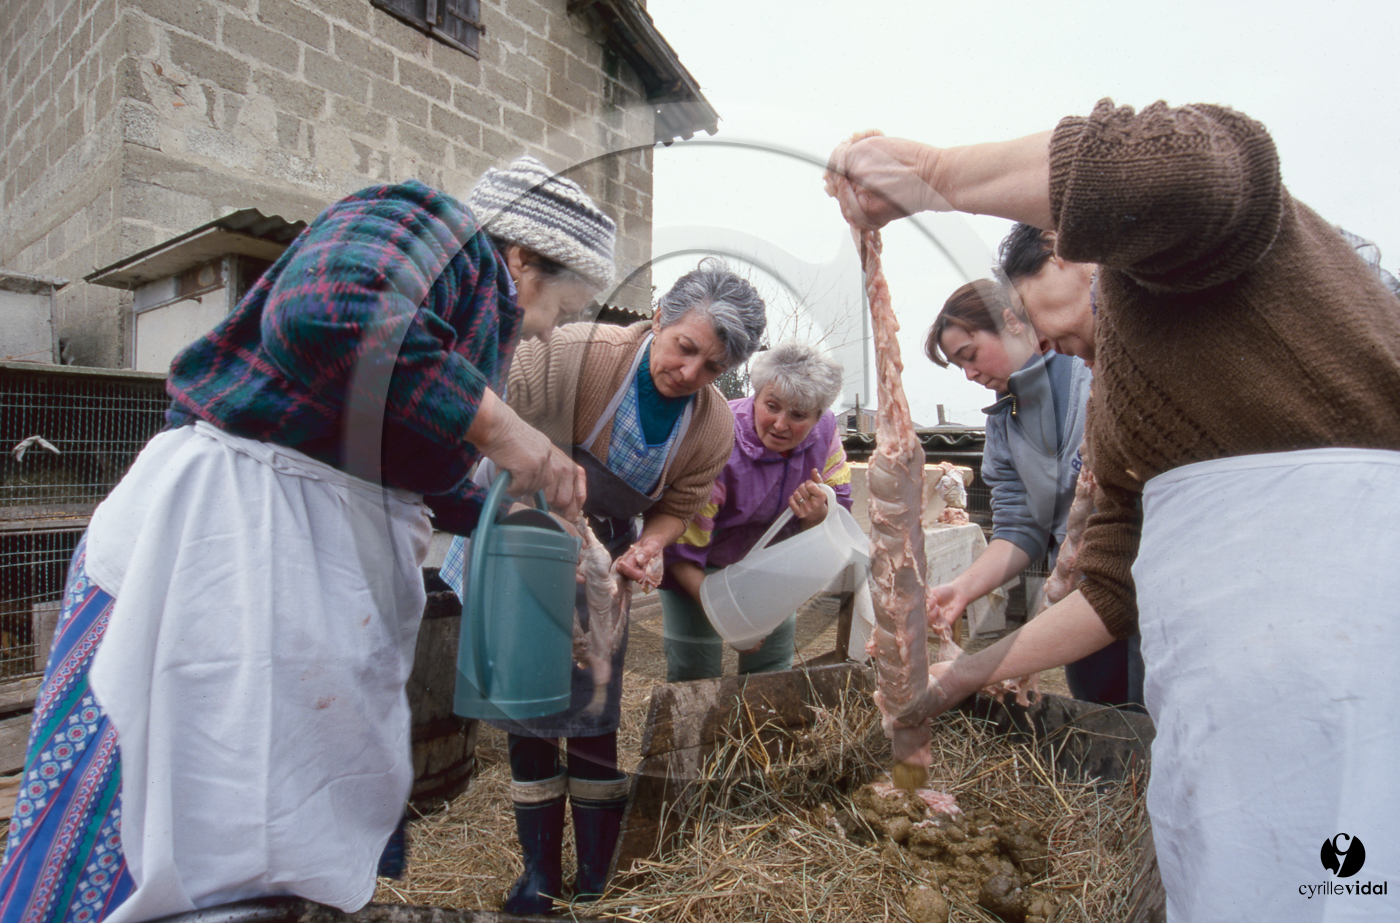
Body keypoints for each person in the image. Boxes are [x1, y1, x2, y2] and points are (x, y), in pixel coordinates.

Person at [0, 156, 615, 923]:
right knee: (164, 804)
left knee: (257, 819)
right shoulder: (434, 225)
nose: (550, 327)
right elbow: (332, 311)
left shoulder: (463, 326)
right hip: (224, 542)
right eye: (565, 303)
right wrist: (507, 430)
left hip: (299, 563)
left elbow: (409, 461)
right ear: (521, 256)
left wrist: (526, 503)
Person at [829, 100, 1400, 920]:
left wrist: (933, 176)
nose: (1041, 338)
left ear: (1072, 248)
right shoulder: (1121, 400)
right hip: (1224, 700)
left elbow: (1186, 163)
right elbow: (1110, 580)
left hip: (1361, 646)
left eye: (1032, 318)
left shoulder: (1202, 257)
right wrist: (970, 672)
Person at [442, 257, 766, 914]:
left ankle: (596, 874)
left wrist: (652, 542)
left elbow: (682, 502)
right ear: (660, 320)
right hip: (525, 534)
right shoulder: (576, 355)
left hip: (604, 554)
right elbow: (498, 427)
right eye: (685, 349)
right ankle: (538, 874)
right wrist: (551, 500)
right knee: (528, 707)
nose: (691, 373)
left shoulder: (711, 424)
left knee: (593, 712)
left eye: (712, 368)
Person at [923, 279, 1140, 709]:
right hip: (1081, 590)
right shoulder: (1004, 422)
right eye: (959, 365)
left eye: (970, 354)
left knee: (1154, 705)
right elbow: (1020, 527)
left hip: (1144, 576)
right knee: (1102, 706)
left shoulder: (1092, 376)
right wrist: (963, 589)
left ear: (1012, 324)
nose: (970, 374)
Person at [659, 341, 853, 681]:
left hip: (770, 564)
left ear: (819, 414)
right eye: (772, 406)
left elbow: (839, 507)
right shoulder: (717, 437)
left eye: (798, 415)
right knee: (696, 670)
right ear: (756, 394)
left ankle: (762, 731)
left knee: (770, 665)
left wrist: (816, 515)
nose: (780, 424)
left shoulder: (826, 435)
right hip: (696, 564)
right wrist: (728, 619)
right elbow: (682, 545)